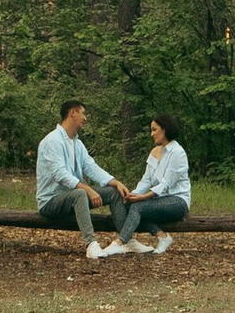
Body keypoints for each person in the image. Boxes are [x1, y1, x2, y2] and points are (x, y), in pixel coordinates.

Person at [35, 99, 133, 256]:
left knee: (114, 192)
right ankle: (91, 245)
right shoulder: (52, 141)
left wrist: (115, 182)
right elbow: (60, 174)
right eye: (83, 113)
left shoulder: (77, 143)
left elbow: (90, 167)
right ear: (72, 113)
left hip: (73, 197)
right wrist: (87, 189)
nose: (85, 118)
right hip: (51, 201)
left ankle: (126, 241)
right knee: (80, 193)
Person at [123, 116, 191, 250]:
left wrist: (143, 197)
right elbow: (146, 179)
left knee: (138, 208)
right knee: (128, 206)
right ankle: (162, 236)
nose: (151, 134)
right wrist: (133, 195)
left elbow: (166, 184)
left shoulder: (178, 153)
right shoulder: (154, 152)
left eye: (154, 130)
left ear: (165, 130)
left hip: (177, 201)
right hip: (159, 200)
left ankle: (121, 242)